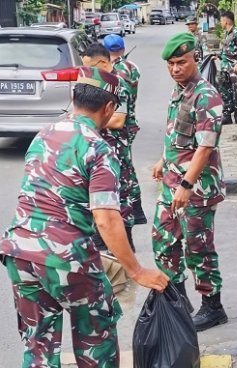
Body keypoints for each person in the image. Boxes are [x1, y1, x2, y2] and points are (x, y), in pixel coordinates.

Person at [0, 66, 169, 368]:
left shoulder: (44, 135)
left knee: (39, 341)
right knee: (95, 326)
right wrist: (137, 270)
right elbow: (107, 218)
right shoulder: (98, 147)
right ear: (109, 107)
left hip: (20, 253)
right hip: (68, 257)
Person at [153, 32, 228, 331]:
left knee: (198, 248)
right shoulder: (179, 91)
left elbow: (204, 147)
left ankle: (213, 306)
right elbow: (176, 133)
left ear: (195, 58)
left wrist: (185, 185)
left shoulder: (206, 95)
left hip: (197, 189)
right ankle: (178, 300)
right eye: (170, 64)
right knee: (163, 241)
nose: (175, 69)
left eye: (181, 62)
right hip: (172, 182)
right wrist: (163, 159)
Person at [83, 42, 135, 250]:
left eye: (92, 67)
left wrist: (90, 120)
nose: (88, 72)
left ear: (104, 63)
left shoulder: (118, 84)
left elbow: (118, 120)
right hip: (101, 146)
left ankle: (124, 245)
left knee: (121, 196)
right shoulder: (97, 81)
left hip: (117, 147)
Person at [104, 34, 148, 226]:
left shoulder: (116, 75)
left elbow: (118, 115)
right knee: (127, 167)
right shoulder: (132, 68)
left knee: (122, 172)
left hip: (119, 127)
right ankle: (137, 210)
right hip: (129, 123)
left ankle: (128, 214)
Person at [216, 10, 237, 125]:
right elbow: (226, 50)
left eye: (221, 20)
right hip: (225, 68)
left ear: (226, 20)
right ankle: (227, 115)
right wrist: (217, 56)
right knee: (225, 92)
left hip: (235, 67)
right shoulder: (226, 33)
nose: (220, 22)